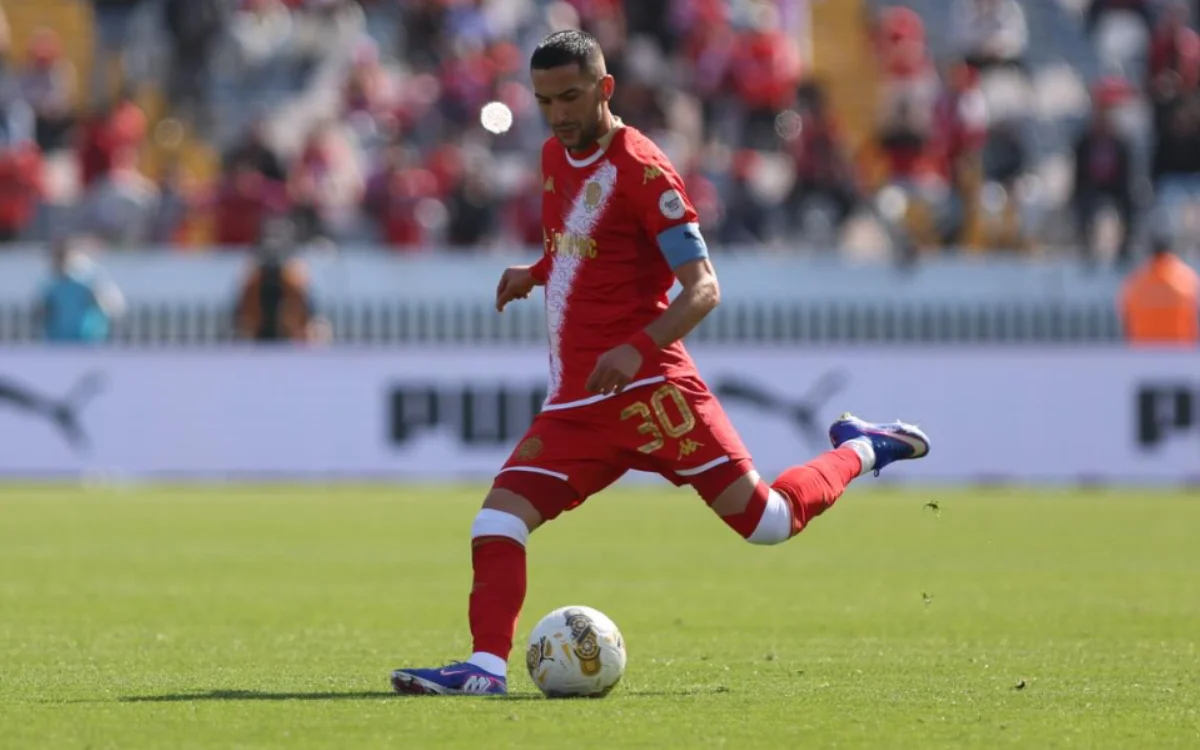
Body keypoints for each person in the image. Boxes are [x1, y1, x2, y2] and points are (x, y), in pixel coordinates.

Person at [390, 30, 932, 697]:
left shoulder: (644, 170)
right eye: (544, 100)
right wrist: (536, 271)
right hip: (579, 403)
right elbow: (586, 247)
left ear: (605, 89)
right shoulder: (554, 157)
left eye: (570, 96)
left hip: (652, 391)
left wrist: (637, 347)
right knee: (497, 520)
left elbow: (704, 287)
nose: (558, 112)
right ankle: (485, 670)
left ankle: (863, 449)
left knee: (766, 523)